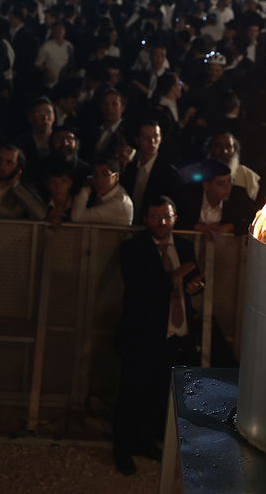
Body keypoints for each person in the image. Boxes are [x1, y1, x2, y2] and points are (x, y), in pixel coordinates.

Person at [112, 195, 203, 476]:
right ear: (145, 219)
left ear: (175, 218)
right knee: (131, 394)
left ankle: (146, 441)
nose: (162, 223)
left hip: (176, 334)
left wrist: (195, 286)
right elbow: (140, 287)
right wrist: (173, 276)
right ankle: (123, 450)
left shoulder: (185, 246)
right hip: (142, 334)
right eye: (155, 217)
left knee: (158, 394)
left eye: (167, 217)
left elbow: (193, 281)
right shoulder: (132, 249)